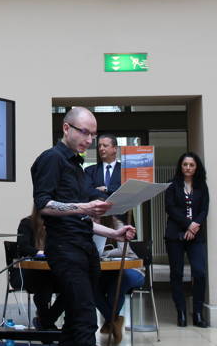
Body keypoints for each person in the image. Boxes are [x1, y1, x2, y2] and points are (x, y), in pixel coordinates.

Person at [31, 106, 136, 346]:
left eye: (93, 135)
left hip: (84, 249)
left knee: (73, 322)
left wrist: (115, 233)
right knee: (85, 320)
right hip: (65, 249)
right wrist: (83, 207)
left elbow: (83, 220)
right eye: (85, 132)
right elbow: (43, 204)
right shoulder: (51, 158)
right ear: (66, 128)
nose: (90, 141)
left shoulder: (76, 167)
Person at [164, 152, 209, 328]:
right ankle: (181, 312)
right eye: (185, 164)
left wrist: (194, 225)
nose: (188, 168)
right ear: (180, 166)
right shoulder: (172, 184)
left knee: (199, 272)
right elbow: (170, 208)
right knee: (177, 274)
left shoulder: (201, 185)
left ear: (196, 167)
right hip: (175, 235)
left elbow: (204, 209)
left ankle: (197, 313)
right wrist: (188, 224)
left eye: (191, 165)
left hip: (195, 235)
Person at [93, 216, 145, 343]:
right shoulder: (86, 223)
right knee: (92, 287)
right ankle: (114, 320)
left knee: (118, 283)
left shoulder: (117, 223)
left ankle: (110, 320)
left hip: (132, 269)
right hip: (107, 271)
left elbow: (123, 250)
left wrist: (103, 253)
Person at [16, 207, 65, 330]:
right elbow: (23, 246)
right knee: (44, 283)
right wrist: (40, 252)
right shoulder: (26, 223)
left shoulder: (58, 224)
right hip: (29, 273)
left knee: (72, 286)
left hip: (53, 272)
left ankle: (45, 321)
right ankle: (47, 324)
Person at [84, 134, 121, 201]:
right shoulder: (89, 171)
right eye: (99, 146)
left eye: (105, 146)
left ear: (115, 149)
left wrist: (106, 189)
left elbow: (128, 190)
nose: (101, 148)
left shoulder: (124, 169)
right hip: (97, 207)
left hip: (121, 207)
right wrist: (108, 200)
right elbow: (88, 191)